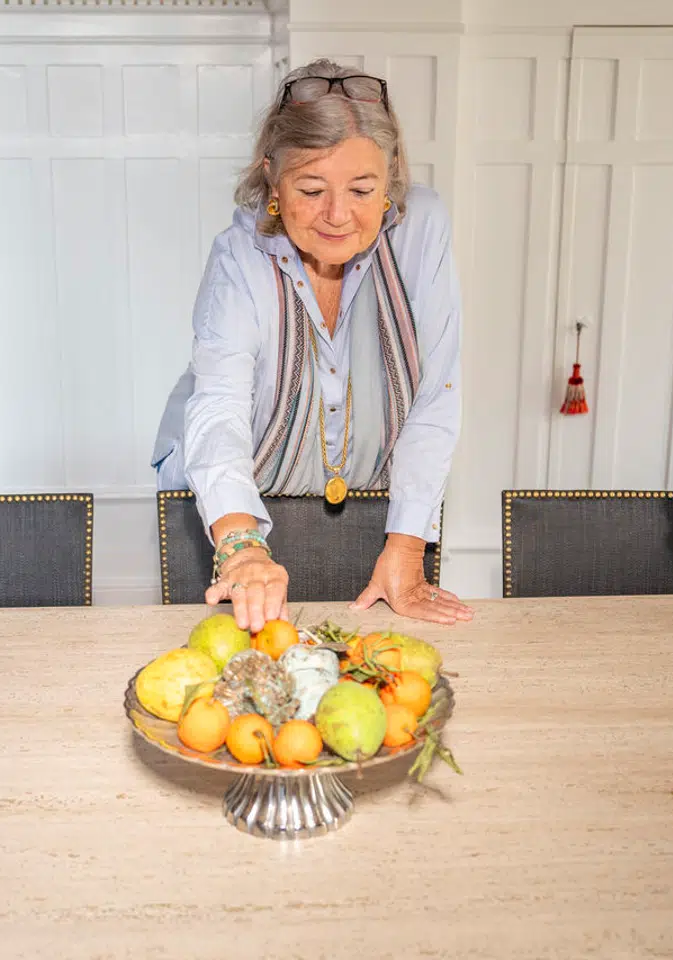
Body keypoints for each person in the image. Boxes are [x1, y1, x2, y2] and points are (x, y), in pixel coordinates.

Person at [152, 59, 472, 633]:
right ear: (271, 177)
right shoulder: (239, 255)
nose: (338, 214)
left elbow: (435, 394)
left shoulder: (422, 225)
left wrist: (405, 549)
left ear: (392, 176)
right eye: (311, 188)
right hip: (231, 510)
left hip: (375, 511)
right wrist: (241, 546)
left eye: (362, 189)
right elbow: (220, 403)